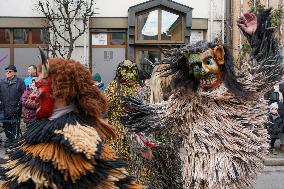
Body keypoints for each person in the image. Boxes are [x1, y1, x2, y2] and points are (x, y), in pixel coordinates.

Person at [122, 9, 282, 188]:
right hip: (198, 176)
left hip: (233, 175)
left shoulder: (241, 88)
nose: (203, 70)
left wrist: (258, 38)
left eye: (208, 62)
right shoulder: (187, 99)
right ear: (190, 70)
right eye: (196, 66)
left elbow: (267, 72)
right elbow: (165, 115)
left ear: (219, 57)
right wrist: (140, 113)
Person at [0, 51, 142, 189]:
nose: (32, 96)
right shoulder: (43, 133)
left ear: (60, 91)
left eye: (38, 86)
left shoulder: (78, 143)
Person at [0, 64, 25, 147]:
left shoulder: (20, 82)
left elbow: (24, 95)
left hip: (15, 108)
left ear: (14, 73)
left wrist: (21, 105)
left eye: (9, 71)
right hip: (4, 108)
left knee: (14, 125)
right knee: (6, 124)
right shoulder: (2, 82)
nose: (7, 73)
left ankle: (14, 140)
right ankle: (8, 139)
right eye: (6, 71)